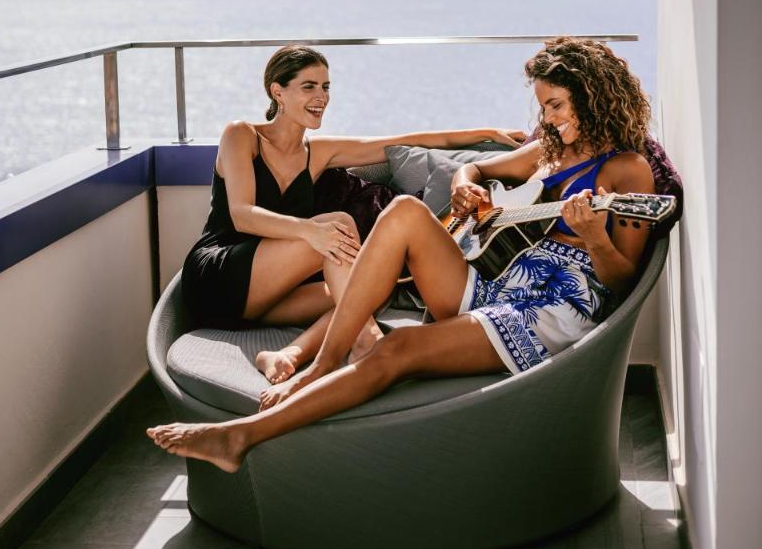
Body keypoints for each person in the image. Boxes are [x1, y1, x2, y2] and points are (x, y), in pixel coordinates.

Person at [149, 37, 655, 474]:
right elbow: (478, 170)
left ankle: (244, 432)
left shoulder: (628, 171)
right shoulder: (549, 153)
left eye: (557, 105)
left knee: (392, 335)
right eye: (544, 107)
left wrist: (595, 237)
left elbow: (622, 279)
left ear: (591, 96)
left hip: (546, 307)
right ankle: (327, 360)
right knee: (404, 211)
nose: (547, 119)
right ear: (276, 92)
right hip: (497, 285)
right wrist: (463, 183)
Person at [181, 43, 524, 379]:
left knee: (367, 290)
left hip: (263, 300)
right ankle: (366, 341)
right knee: (338, 225)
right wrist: (311, 231)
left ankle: (287, 354)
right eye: (309, 86)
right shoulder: (242, 135)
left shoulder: (317, 152)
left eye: (326, 87)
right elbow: (243, 214)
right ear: (277, 91)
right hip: (218, 279)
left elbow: (405, 140)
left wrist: (485, 133)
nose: (321, 97)